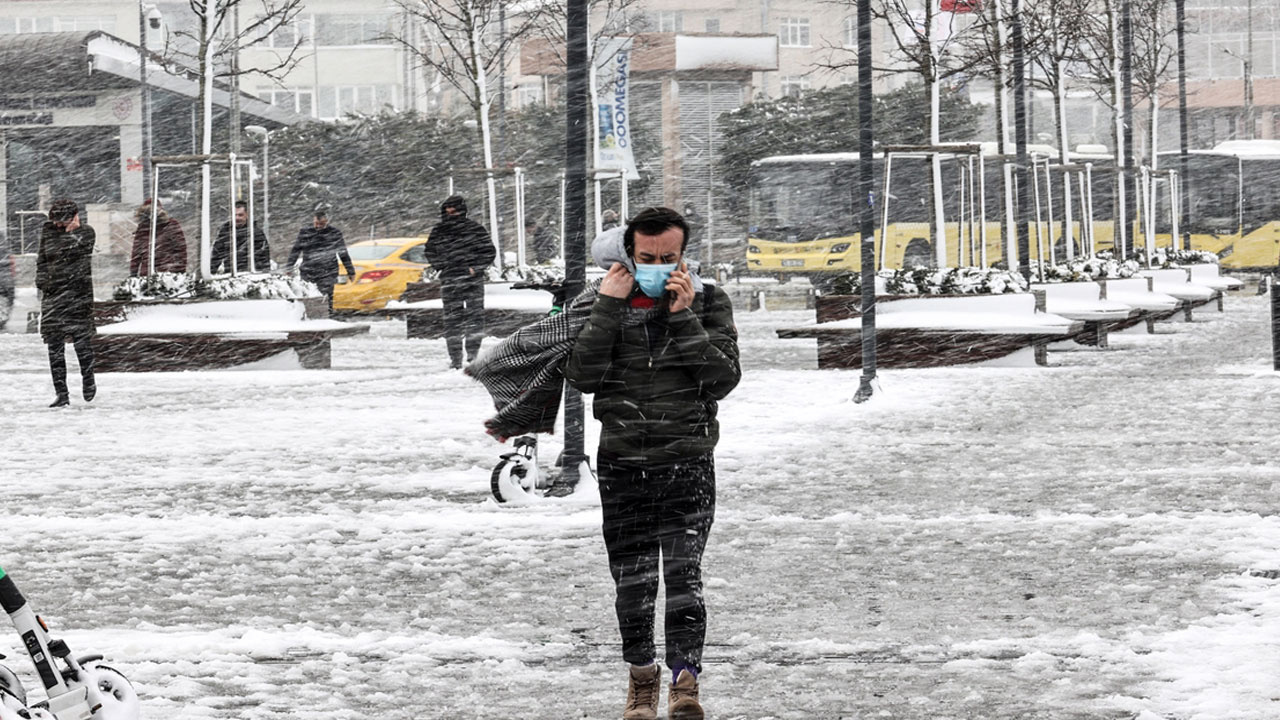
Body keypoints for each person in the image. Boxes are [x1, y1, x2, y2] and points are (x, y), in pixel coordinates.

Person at [564, 207, 740, 720]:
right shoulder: (602, 301)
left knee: (685, 578)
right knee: (633, 583)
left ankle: (686, 684)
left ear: (684, 255)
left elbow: (722, 379)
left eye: (669, 257)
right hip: (623, 463)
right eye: (648, 258)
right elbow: (583, 376)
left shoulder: (708, 301)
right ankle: (641, 681)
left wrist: (683, 316)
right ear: (628, 255)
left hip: (687, 461)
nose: (659, 266)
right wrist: (609, 309)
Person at [37, 198, 97, 408]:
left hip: (78, 295)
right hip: (54, 295)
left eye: (62, 221)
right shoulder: (48, 231)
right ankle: (61, 393)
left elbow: (74, 252)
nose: (57, 225)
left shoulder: (86, 233)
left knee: (82, 344)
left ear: (73, 218)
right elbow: (42, 259)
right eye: (55, 221)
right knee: (54, 348)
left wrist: (72, 232)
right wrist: (42, 281)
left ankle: (88, 380)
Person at [424, 195, 495, 369]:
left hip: (468, 279)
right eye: (448, 210)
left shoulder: (473, 229)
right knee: (455, 319)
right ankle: (457, 357)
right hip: (452, 278)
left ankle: (470, 355)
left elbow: (488, 252)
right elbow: (429, 251)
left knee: (471, 317)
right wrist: (443, 266)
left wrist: (474, 268)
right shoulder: (440, 230)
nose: (451, 214)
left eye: (454, 210)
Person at [287, 207, 356, 311]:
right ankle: (310, 315)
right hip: (308, 270)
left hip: (328, 271)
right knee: (308, 295)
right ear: (313, 221)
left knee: (326, 297)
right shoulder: (305, 232)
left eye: (321, 224)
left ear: (327, 222)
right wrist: (289, 266)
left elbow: (343, 253)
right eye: (316, 223)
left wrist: (350, 271)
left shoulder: (334, 233)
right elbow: (296, 250)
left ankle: (327, 315)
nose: (318, 226)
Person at [129, 198, 187, 276]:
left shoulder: (143, 227)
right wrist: (180, 270)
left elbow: (136, 254)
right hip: (167, 272)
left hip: (151, 273)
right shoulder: (171, 225)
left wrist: (133, 273)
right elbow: (181, 249)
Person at [211, 200, 271, 274]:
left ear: (247, 215)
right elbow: (216, 255)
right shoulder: (225, 232)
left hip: (250, 276)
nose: (237, 218)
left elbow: (264, 258)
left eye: (240, 215)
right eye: (235, 215)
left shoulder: (256, 234)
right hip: (230, 275)